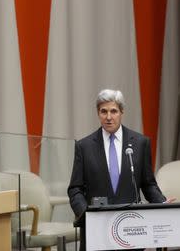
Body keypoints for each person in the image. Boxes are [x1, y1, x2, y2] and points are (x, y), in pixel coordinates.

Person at [67, 89, 169, 250]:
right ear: (98, 113)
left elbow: (148, 184)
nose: (108, 117)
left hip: (130, 228)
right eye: (103, 111)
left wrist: (162, 203)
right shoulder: (84, 146)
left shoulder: (140, 143)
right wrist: (85, 213)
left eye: (113, 111)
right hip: (97, 229)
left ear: (122, 112)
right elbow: (75, 189)